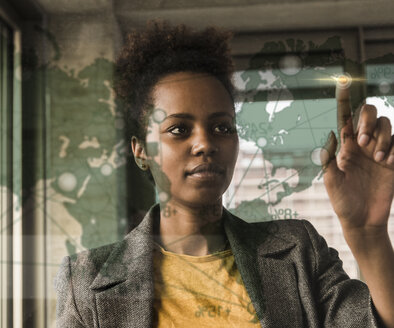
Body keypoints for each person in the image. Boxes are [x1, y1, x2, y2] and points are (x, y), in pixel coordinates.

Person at [54, 21, 394, 327]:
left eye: (221, 127)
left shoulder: (298, 251)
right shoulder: (86, 281)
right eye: (178, 129)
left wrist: (369, 235)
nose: (204, 143)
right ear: (140, 150)